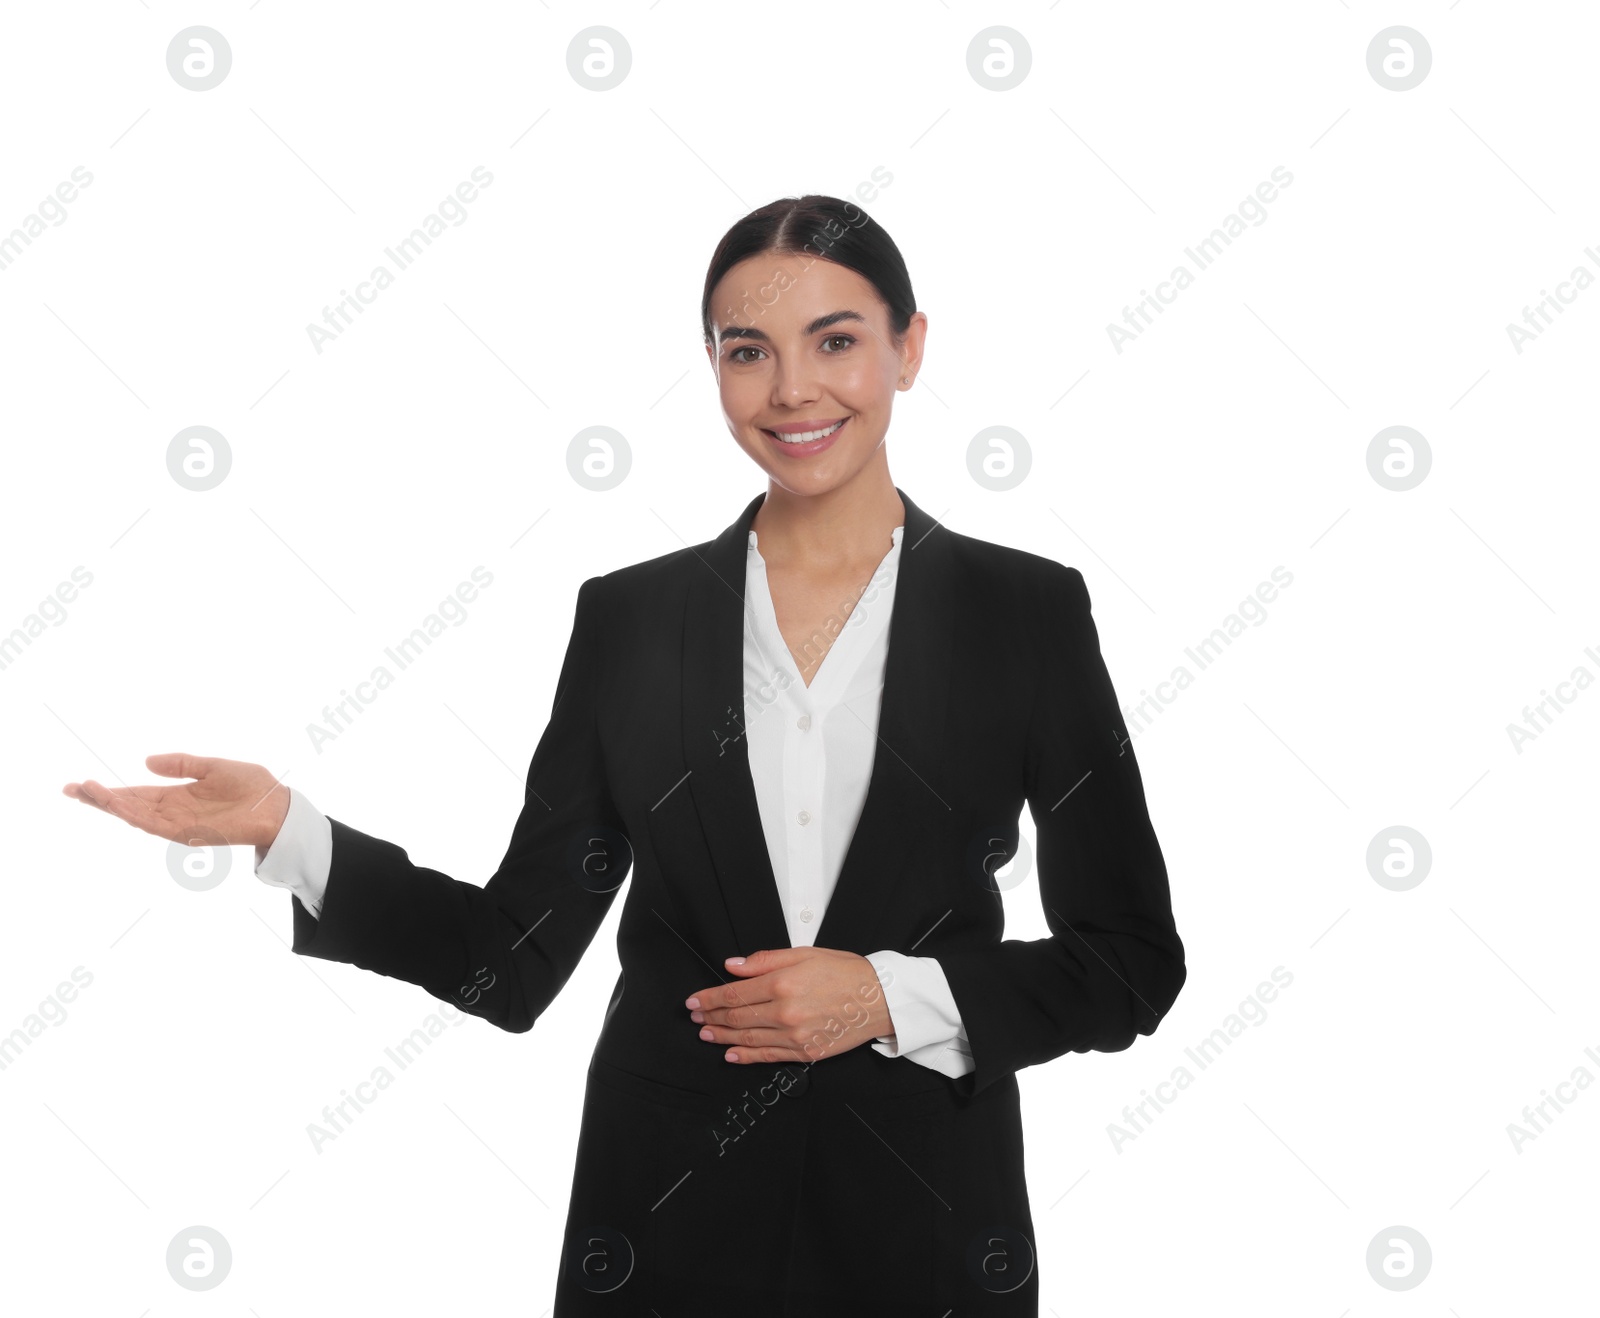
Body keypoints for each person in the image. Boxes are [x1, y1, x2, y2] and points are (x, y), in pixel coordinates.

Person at [65, 195, 1187, 1315]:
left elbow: (1132, 961)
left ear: (910, 347)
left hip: (929, 1237)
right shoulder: (631, 620)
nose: (792, 389)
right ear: (711, 366)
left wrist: (893, 997)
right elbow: (509, 958)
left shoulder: (1024, 612)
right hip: (663, 1236)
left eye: (835, 340)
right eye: (748, 351)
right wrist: (287, 831)